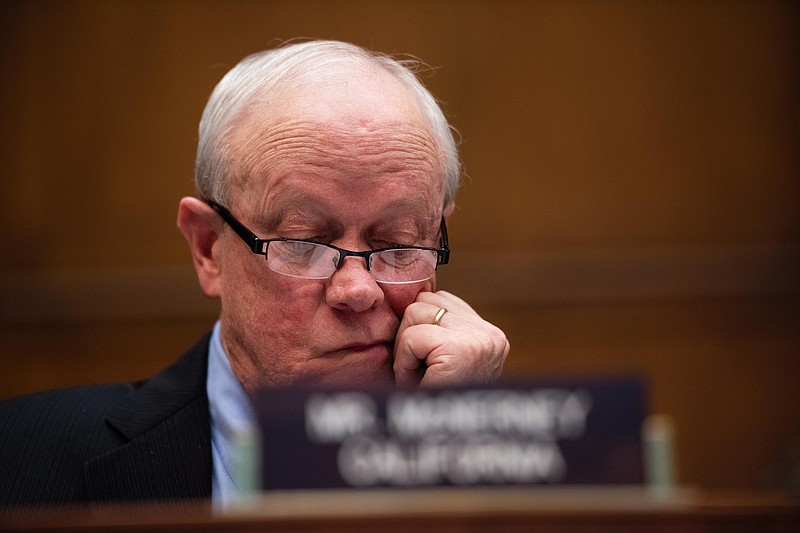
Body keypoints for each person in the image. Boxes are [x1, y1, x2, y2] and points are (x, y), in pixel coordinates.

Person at [0, 40, 509, 511]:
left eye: (398, 242)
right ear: (207, 248)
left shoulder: (537, 471)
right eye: (304, 241)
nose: (357, 289)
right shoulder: (20, 460)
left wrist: (452, 441)